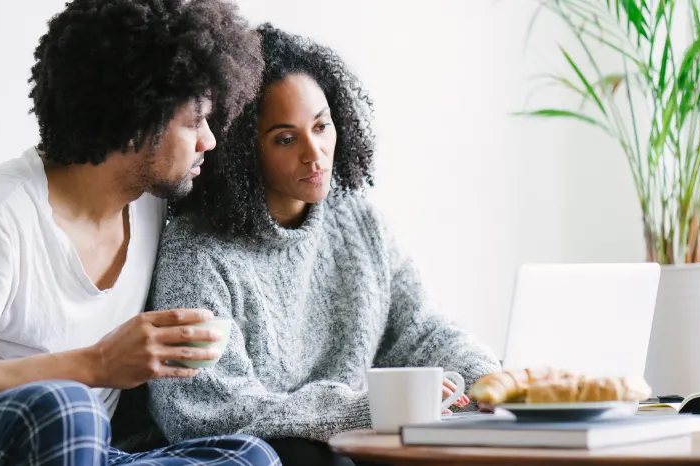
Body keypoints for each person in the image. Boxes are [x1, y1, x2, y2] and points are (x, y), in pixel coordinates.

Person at [0, 1, 281, 465]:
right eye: (194, 122)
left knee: (250, 457)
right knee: (67, 408)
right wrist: (96, 365)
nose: (209, 140)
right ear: (136, 121)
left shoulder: (151, 200)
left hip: (85, 453)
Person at [138, 23, 502, 465]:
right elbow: (203, 409)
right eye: (286, 139)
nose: (315, 153)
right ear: (242, 149)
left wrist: (493, 380)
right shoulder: (198, 251)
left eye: (321, 126)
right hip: (265, 454)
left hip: (353, 441)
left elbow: (423, 330)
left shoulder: (357, 219)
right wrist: (360, 410)